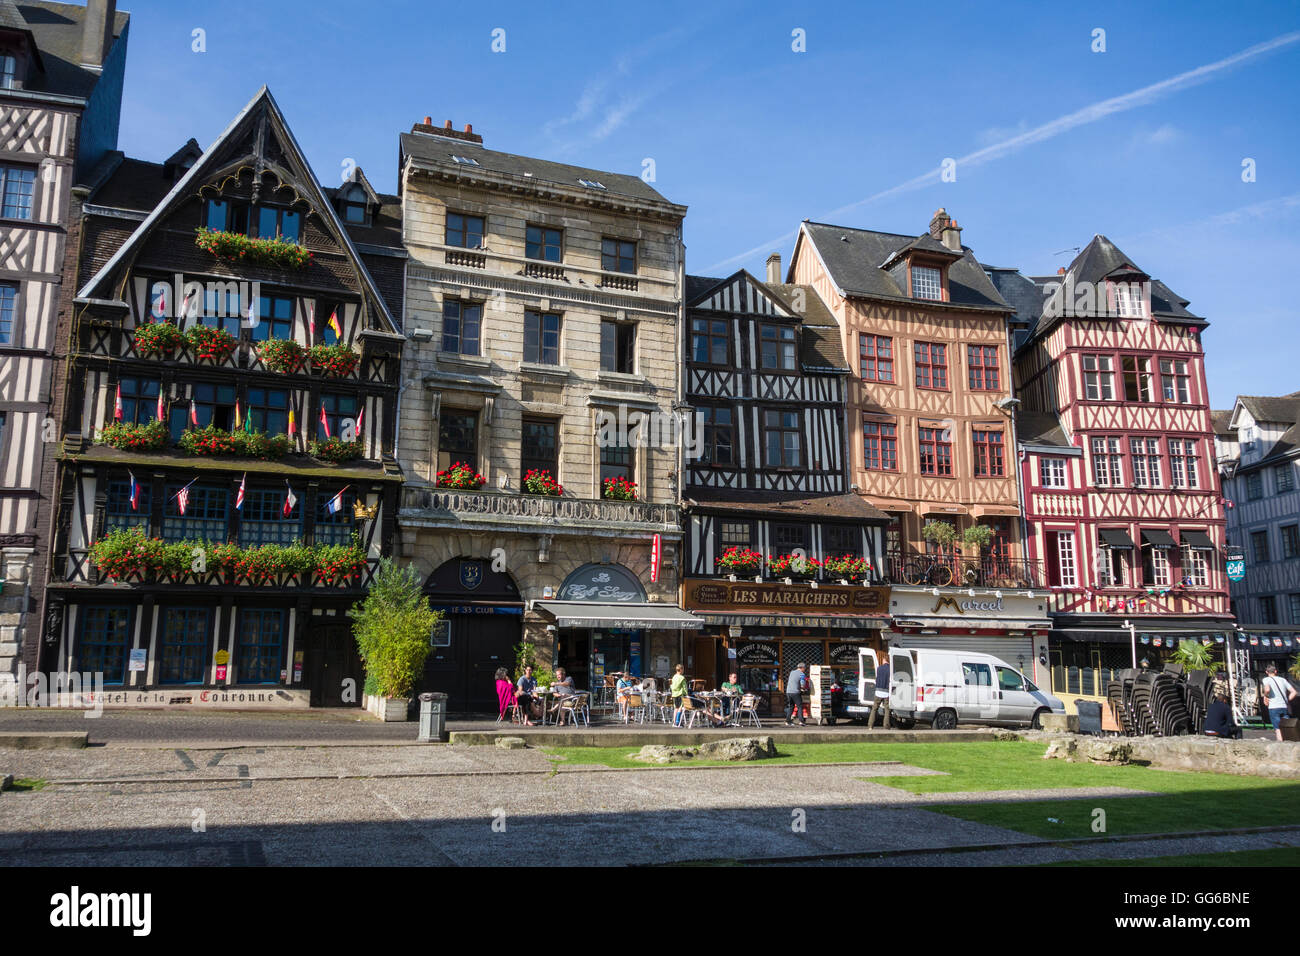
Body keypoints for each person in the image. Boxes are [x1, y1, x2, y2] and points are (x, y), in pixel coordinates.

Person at [1261, 664, 1297, 742]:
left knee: (1278, 729)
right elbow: (1294, 692)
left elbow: (1267, 690)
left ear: (1267, 672)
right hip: (1284, 706)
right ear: (1276, 671)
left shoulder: (1266, 679)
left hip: (1274, 707)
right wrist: (1287, 700)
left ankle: (1280, 744)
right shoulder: (1283, 680)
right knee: (1287, 727)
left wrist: (1265, 696)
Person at [867, 656, 891, 731]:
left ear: (884, 660)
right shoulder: (890, 669)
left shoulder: (879, 668)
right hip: (886, 691)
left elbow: (877, 678)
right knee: (887, 709)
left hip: (878, 690)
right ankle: (886, 726)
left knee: (874, 708)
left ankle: (870, 725)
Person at [785, 662, 808, 726]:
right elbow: (802, 684)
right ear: (802, 668)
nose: (805, 669)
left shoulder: (792, 672)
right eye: (804, 668)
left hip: (788, 692)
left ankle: (788, 721)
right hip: (795, 692)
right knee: (799, 706)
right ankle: (801, 721)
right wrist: (803, 688)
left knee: (791, 706)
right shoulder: (802, 674)